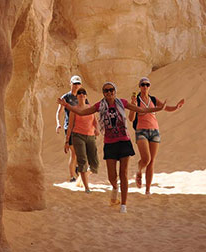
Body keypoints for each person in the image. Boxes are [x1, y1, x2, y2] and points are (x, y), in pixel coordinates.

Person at [58, 81, 165, 213]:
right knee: (112, 176)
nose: (109, 92)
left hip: (124, 141)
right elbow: (83, 113)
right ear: (103, 93)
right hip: (110, 143)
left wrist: (158, 109)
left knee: (123, 173)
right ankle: (115, 188)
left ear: (115, 91)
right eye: (106, 91)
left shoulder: (123, 103)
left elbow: (141, 110)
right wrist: (67, 105)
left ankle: (123, 205)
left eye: (111, 90)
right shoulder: (99, 105)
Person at [131, 76, 185, 195]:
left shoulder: (153, 99)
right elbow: (131, 118)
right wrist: (133, 106)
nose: (145, 87)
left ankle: (147, 189)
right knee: (146, 158)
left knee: (152, 161)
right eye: (143, 85)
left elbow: (165, 108)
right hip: (141, 131)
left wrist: (176, 107)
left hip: (154, 131)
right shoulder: (137, 100)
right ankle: (139, 170)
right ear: (139, 87)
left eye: (147, 85)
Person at [64, 88, 100, 192]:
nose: (81, 94)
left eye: (84, 93)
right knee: (82, 161)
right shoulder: (74, 110)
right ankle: (87, 188)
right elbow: (70, 126)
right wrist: (67, 141)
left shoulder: (90, 108)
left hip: (90, 136)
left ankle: (82, 175)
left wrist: (97, 129)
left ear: (86, 96)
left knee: (95, 164)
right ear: (77, 96)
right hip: (78, 136)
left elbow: (95, 122)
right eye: (79, 93)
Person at [55, 75, 83, 181]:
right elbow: (59, 112)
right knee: (73, 152)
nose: (76, 86)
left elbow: (87, 110)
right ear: (70, 84)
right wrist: (58, 123)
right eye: (74, 83)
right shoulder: (65, 97)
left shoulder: (82, 96)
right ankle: (72, 177)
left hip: (81, 128)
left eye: (78, 84)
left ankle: (76, 168)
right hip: (69, 128)